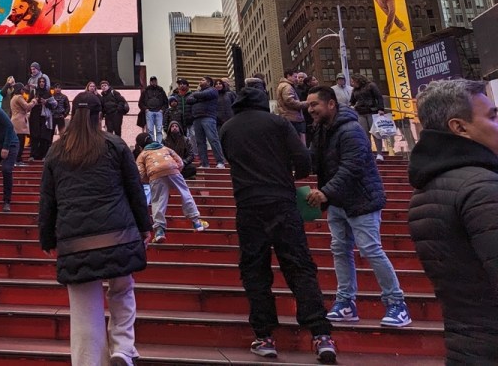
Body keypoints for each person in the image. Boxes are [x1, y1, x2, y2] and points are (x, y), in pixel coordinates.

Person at [219, 85, 337, 363]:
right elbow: (303, 161)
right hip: (282, 203)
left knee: (255, 271)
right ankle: (320, 335)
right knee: (300, 266)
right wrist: (286, 178)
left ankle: (265, 336)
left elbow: (230, 159)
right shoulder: (279, 123)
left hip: (248, 205)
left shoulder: (228, 128)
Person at [38, 108, 152, 366]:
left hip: (75, 241)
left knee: (83, 308)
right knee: (122, 290)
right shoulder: (114, 144)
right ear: (99, 116)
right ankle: (123, 347)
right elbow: (134, 187)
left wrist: (46, 238)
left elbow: (47, 200)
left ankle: (89, 362)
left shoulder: (56, 151)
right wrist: (144, 225)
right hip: (118, 234)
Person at [305, 86, 410, 328]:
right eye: (308, 105)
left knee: (370, 249)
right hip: (338, 202)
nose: (310, 110)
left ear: (331, 104)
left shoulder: (351, 130)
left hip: (361, 200)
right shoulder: (321, 130)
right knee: (340, 251)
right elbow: (313, 161)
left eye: (314, 105)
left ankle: (397, 304)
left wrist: (325, 192)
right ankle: (346, 303)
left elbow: (353, 166)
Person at [408, 80, 498, 362]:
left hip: (466, 345)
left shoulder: (428, 189)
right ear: (459, 127)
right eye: (492, 116)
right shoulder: (482, 187)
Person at [134, 131, 207, 243]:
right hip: (173, 170)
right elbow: (181, 163)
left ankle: (159, 231)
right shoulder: (165, 148)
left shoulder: (142, 154)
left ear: (140, 146)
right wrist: (175, 171)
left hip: (155, 174)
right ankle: (196, 221)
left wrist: (150, 180)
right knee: (185, 193)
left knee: (158, 201)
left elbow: (140, 174)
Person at [188, 77, 226, 168]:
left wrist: (197, 96)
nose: (200, 81)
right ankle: (204, 163)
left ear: (208, 83)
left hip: (208, 117)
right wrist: (200, 96)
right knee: (200, 142)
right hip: (197, 118)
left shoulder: (213, 90)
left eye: (202, 80)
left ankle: (220, 162)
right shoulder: (199, 93)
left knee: (213, 139)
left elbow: (200, 95)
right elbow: (189, 100)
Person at [350, 74, 386, 159]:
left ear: (357, 80)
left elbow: (379, 97)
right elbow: (352, 101)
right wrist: (352, 106)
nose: (351, 83)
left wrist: (381, 109)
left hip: (372, 111)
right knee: (365, 134)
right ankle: (368, 153)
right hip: (361, 113)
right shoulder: (355, 90)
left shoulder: (371, 85)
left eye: (352, 81)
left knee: (376, 133)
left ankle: (379, 153)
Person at [276, 69, 308, 145]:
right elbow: (290, 101)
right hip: (293, 118)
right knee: (298, 143)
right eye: (295, 76)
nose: (296, 79)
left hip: (289, 116)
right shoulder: (287, 86)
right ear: (288, 76)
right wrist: (306, 103)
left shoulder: (283, 85)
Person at [30, 76, 56, 160]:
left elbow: (53, 106)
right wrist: (34, 101)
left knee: (44, 137)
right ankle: (33, 155)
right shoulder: (34, 92)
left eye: (43, 82)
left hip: (45, 118)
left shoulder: (48, 93)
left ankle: (43, 155)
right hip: (35, 117)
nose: (41, 83)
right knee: (35, 136)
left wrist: (46, 103)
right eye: (40, 81)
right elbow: (28, 103)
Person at [10, 83, 35, 165]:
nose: (23, 91)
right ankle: (18, 160)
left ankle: (16, 159)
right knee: (21, 142)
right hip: (20, 122)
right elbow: (27, 106)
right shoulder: (19, 97)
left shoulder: (13, 98)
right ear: (20, 89)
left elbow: (24, 109)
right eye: (22, 89)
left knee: (17, 141)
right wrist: (34, 101)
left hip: (15, 121)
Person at [138, 76, 168, 143]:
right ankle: (151, 143)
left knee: (159, 129)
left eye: (155, 81)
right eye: (152, 81)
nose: (154, 82)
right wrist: (146, 109)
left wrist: (162, 110)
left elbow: (166, 102)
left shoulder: (161, 90)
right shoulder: (145, 91)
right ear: (150, 82)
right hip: (149, 112)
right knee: (150, 130)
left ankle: (159, 143)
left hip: (159, 112)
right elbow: (140, 103)